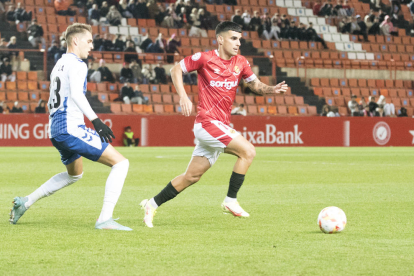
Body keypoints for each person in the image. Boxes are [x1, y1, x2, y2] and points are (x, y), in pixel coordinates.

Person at [139, 21, 288, 228]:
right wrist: (183, 96)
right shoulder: (204, 58)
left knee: (191, 176)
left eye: (240, 39)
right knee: (248, 152)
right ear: (220, 39)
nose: (238, 43)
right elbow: (175, 70)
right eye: (233, 38)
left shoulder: (241, 62)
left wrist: (272, 89)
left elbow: (255, 85)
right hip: (207, 123)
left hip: (219, 125)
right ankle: (230, 200)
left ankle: (152, 204)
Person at [9, 23, 132, 231]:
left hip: (56, 129)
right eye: (89, 41)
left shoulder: (59, 64)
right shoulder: (78, 64)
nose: (91, 46)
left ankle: (25, 202)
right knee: (121, 164)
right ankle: (105, 219)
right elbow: (77, 94)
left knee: (74, 174)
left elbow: (54, 100)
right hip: (70, 128)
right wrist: (96, 121)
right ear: (75, 41)